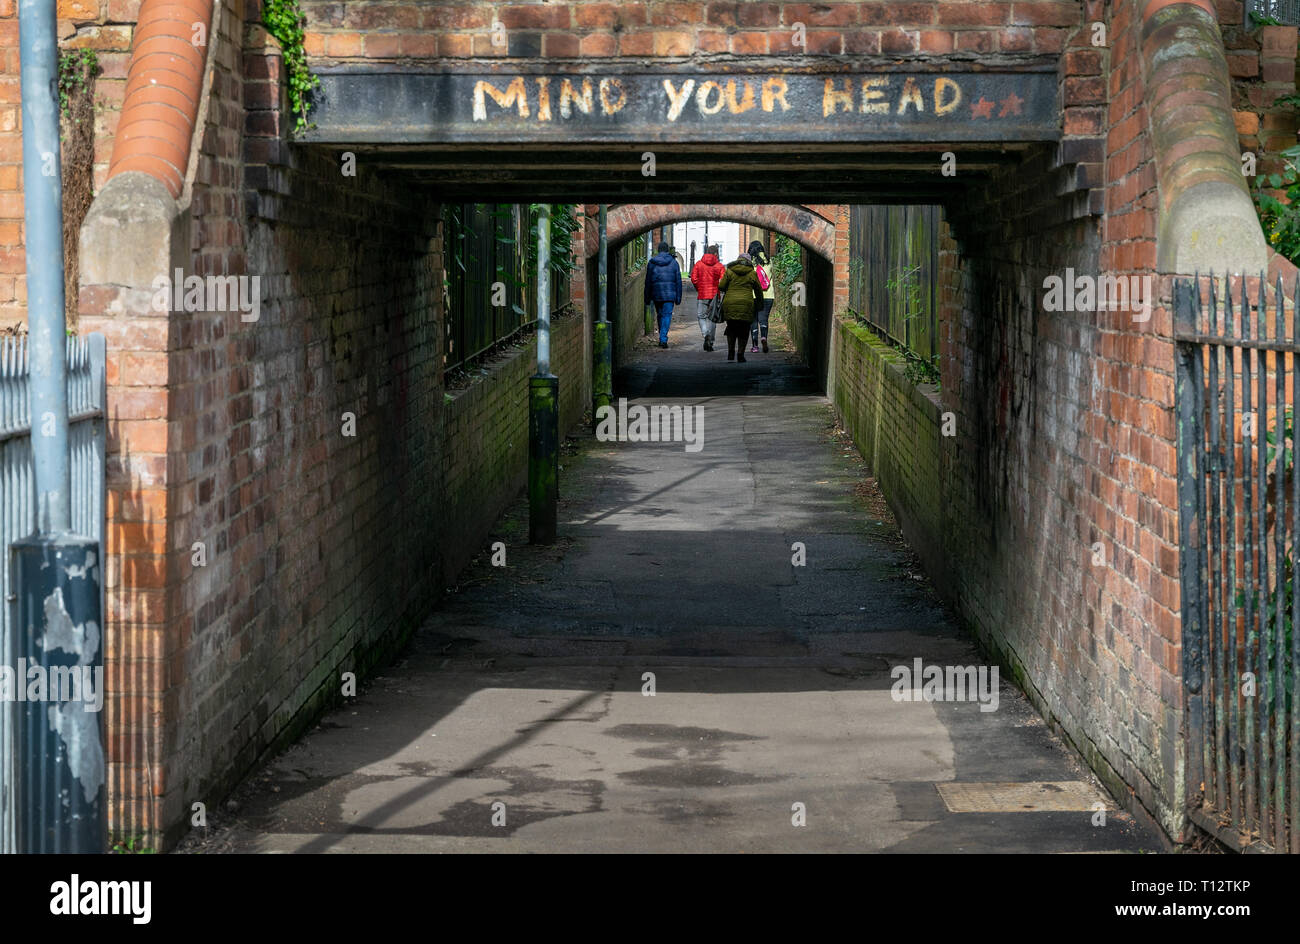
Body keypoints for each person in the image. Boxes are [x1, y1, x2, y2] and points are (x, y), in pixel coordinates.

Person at [716, 251, 763, 363]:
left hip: (730, 303)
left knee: (731, 328)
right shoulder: (752, 273)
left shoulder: (730, 271)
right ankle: (740, 354)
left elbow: (721, 286)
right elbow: (758, 290)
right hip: (746, 304)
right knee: (744, 329)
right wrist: (760, 304)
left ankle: (731, 352)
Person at [643, 241, 682, 349]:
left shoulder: (652, 263)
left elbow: (648, 282)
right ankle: (663, 338)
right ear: (667, 250)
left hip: (656, 294)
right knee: (666, 315)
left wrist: (647, 298)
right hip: (670, 295)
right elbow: (678, 282)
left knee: (660, 315)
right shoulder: (674, 263)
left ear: (658, 250)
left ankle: (662, 337)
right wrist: (678, 298)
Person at [689, 243, 725, 351]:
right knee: (713, 318)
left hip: (702, 294)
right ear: (715, 253)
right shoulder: (719, 266)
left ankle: (706, 335)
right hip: (714, 295)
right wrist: (719, 289)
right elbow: (723, 281)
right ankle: (711, 341)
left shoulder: (699, 264)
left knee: (701, 316)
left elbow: (694, 278)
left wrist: (699, 288)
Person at [748, 240, 774, 353]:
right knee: (764, 319)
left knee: (753, 320)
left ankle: (755, 346)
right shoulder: (769, 260)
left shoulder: (750, 262)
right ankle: (764, 337)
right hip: (768, 295)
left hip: (753, 295)